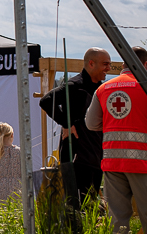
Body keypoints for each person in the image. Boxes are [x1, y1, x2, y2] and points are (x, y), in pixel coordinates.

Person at [85, 46, 147, 234]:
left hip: (113, 162)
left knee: (117, 216)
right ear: (146, 64)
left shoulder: (104, 89)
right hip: (144, 163)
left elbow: (90, 124)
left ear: (123, 64)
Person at [40, 47, 111, 202]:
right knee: (76, 203)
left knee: (91, 203)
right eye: (105, 64)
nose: (109, 68)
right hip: (77, 157)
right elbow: (46, 101)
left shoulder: (101, 88)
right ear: (91, 64)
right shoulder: (74, 85)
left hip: (97, 157)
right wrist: (67, 124)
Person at [0, 123, 22, 203]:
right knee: (17, 212)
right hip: (17, 185)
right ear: (12, 135)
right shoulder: (19, 151)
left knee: (3, 212)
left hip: (2, 186)